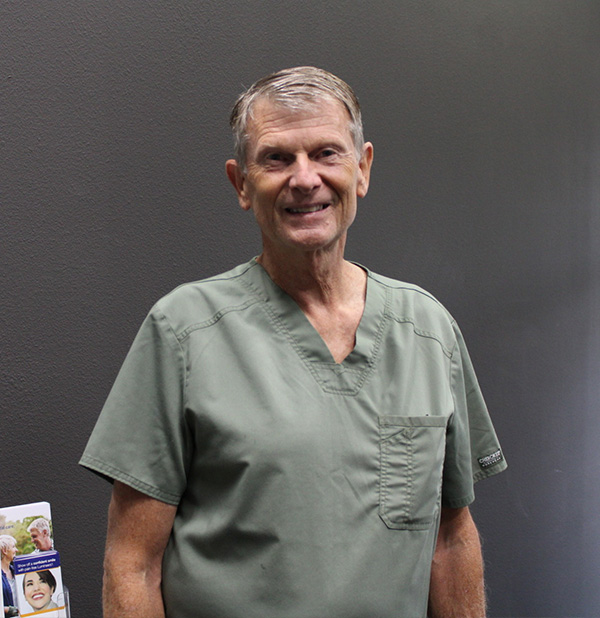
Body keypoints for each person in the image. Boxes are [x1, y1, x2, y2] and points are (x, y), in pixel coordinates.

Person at [80, 66, 507, 618]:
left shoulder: (427, 330)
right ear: (240, 183)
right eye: (277, 158)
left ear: (362, 169)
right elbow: (132, 563)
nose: (305, 179)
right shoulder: (184, 332)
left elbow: (451, 542)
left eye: (327, 153)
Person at [1, 535, 18, 617]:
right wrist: (7, 609)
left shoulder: (16, 571)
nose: (16, 550)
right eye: (13, 547)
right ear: (4, 550)